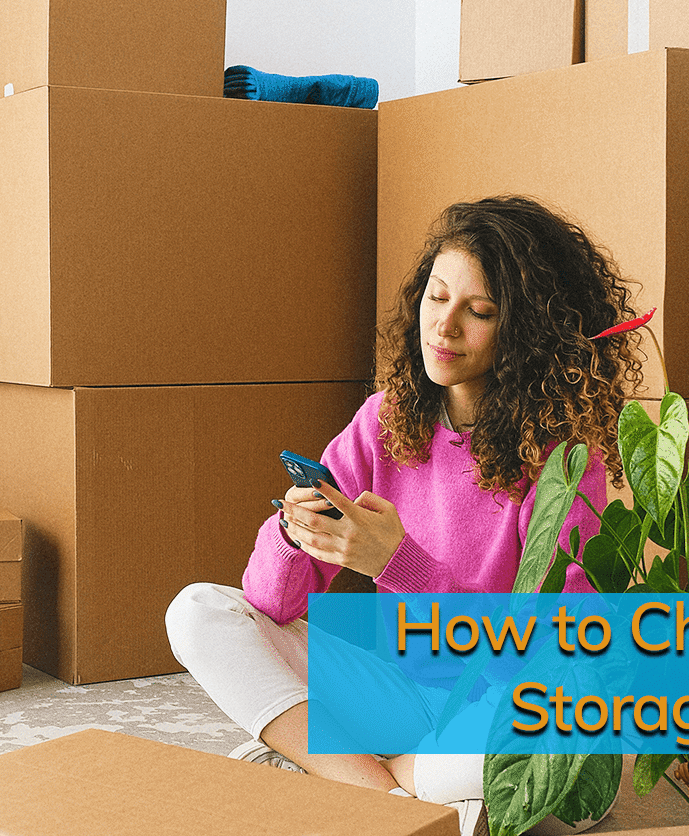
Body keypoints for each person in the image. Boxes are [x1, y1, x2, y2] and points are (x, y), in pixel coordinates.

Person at [166, 195, 646, 834]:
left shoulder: (562, 461)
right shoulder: (386, 419)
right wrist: (294, 532)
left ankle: (339, 776)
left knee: (549, 725)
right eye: (436, 297)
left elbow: (552, 656)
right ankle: (393, 802)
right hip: (398, 693)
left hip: (493, 704)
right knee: (199, 614)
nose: (444, 327)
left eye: (480, 311)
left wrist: (398, 564)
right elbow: (267, 604)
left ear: (528, 335)